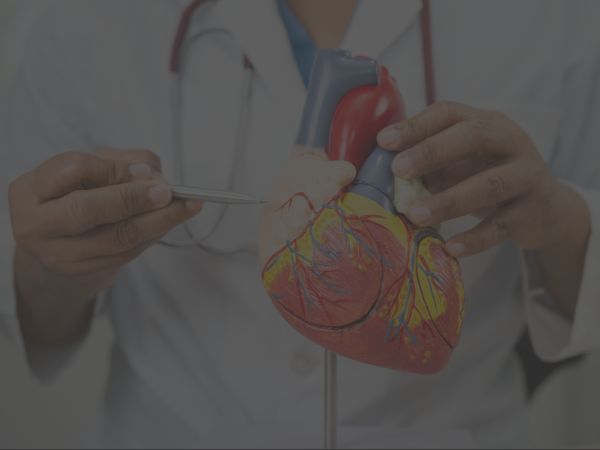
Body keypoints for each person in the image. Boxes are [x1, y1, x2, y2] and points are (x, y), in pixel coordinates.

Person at [1, 0, 599, 447]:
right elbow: (32, 305)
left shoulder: (561, 22)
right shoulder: (76, 23)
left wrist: (563, 222)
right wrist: (51, 262)